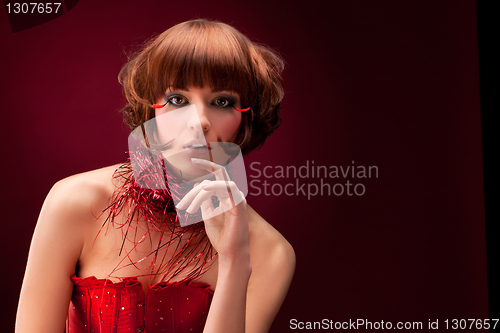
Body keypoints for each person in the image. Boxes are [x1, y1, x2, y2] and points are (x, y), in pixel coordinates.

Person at [15, 19, 295, 333]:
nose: (198, 121)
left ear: (246, 119)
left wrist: (233, 261)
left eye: (222, 102)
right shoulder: (75, 201)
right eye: (178, 100)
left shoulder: (270, 253)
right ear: (152, 110)